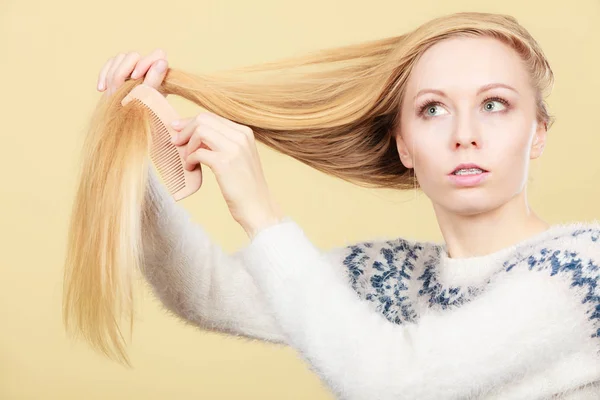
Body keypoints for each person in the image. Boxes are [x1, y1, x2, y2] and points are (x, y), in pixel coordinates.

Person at [88, 12, 599, 399]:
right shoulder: (394, 274)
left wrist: (260, 212)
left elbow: (396, 384)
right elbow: (207, 293)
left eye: (494, 105)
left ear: (537, 134)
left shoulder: (582, 267)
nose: (465, 135)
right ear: (404, 145)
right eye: (433, 109)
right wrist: (131, 148)